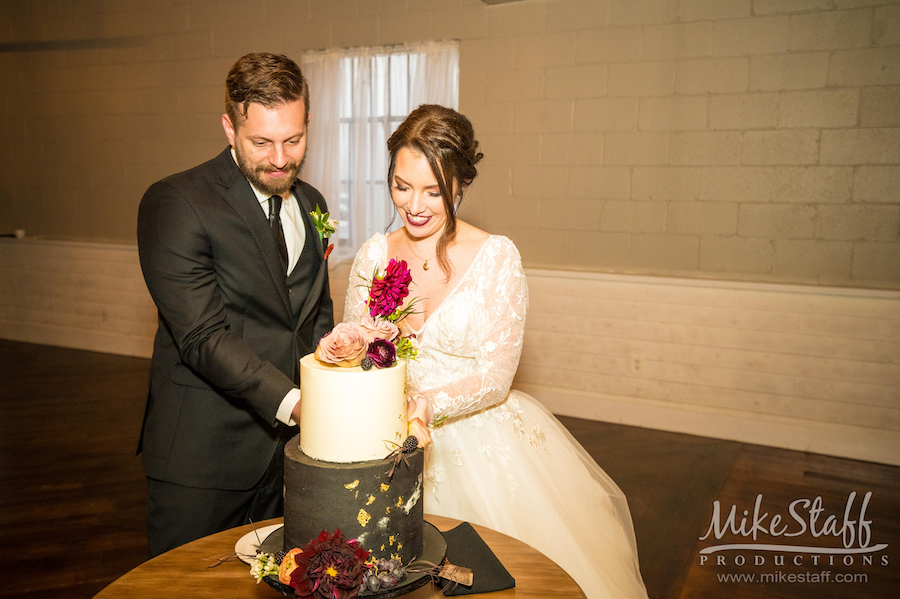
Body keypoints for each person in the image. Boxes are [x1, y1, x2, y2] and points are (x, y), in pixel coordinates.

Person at [343, 105, 648, 598]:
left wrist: (428, 405)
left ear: (460, 185)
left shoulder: (496, 257)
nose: (414, 205)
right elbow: (360, 345)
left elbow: (496, 377)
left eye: (433, 191)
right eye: (402, 186)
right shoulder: (374, 254)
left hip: (480, 443)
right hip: (387, 442)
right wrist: (346, 344)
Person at [136, 53, 334, 557]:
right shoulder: (177, 202)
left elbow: (310, 319)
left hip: (288, 456)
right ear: (229, 127)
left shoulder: (312, 203)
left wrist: (337, 375)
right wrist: (298, 404)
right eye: (260, 142)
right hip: (203, 454)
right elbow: (202, 337)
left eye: (293, 140)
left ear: (307, 121)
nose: (279, 159)